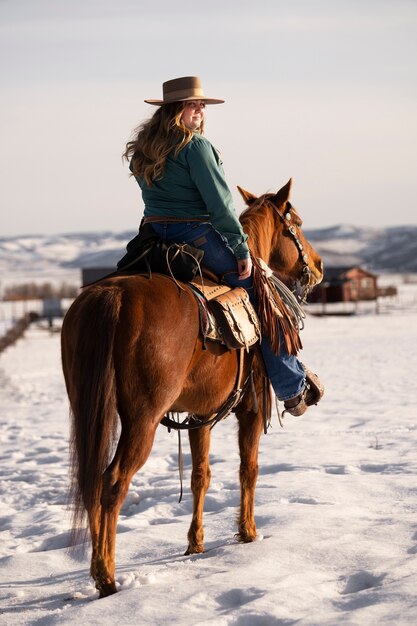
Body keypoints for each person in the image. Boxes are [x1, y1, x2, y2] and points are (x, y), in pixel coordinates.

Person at [123, 76, 323, 416]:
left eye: (201, 104)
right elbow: (221, 206)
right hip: (198, 237)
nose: (200, 108)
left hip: (153, 239)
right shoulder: (196, 147)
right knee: (263, 294)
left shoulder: (146, 149)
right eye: (193, 103)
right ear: (175, 109)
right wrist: (242, 250)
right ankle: (291, 387)